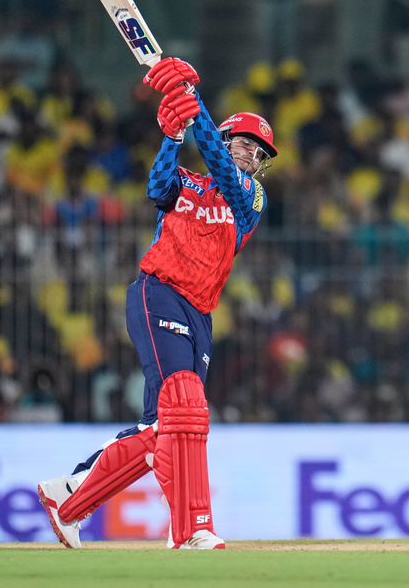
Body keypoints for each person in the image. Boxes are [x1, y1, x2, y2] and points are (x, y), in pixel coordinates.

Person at [37, 58, 277, 550]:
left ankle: (69, 500)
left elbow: (221, 170)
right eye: (243, 144)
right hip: (158, 292)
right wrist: (171, 135)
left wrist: (195, 106)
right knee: (186, 402)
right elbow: (156, 189)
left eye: (257, 152)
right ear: (227, 140)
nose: (249, 155)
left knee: (163, 426)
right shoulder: (187, 182)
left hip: (200, 312)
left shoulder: (249, 198)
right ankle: (192, 529)